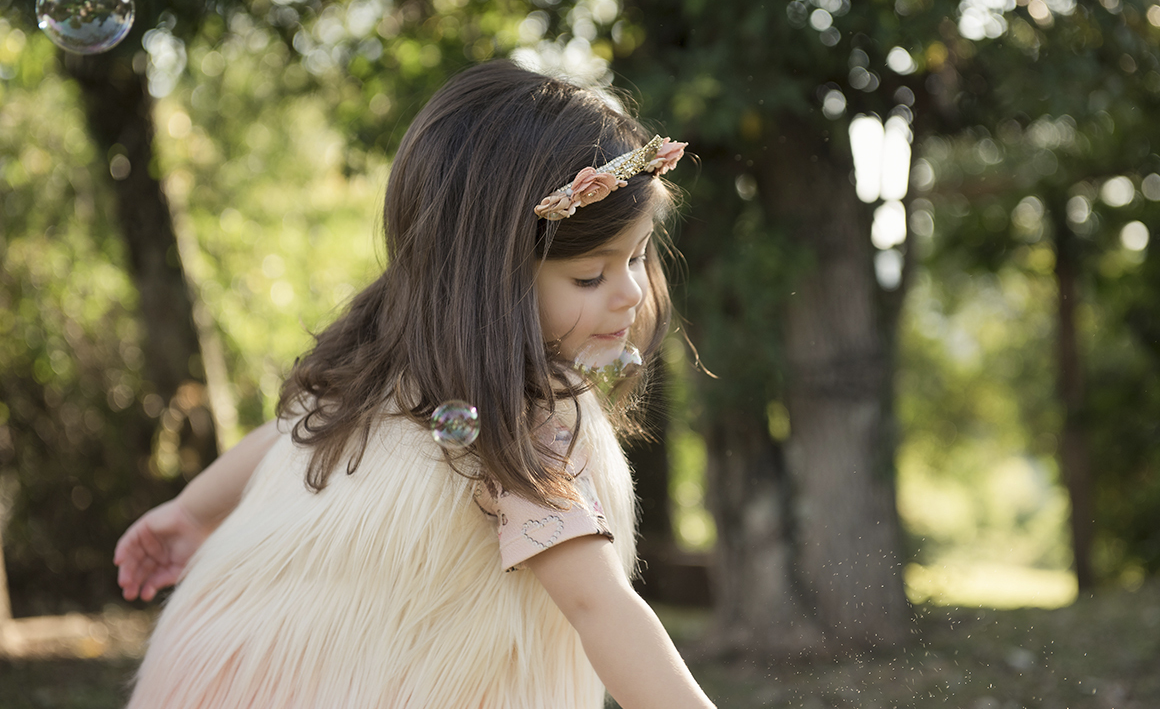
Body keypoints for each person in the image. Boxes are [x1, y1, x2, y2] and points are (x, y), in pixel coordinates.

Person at [113, 59, 716, 709]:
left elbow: (288, 435)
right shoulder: (519, 426)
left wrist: (190, 512)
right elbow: (598, 607)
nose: (629, 292)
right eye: (589, 277)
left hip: (229, 676)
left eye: (636, 256)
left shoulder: (393, 369)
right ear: (493, 277)